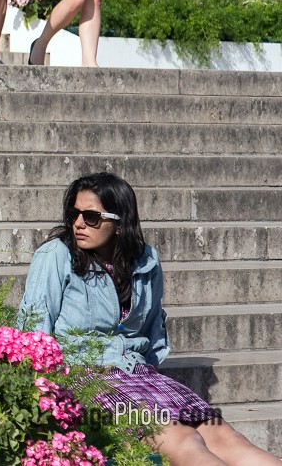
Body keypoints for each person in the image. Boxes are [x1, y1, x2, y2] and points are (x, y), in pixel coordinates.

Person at [21, 173, 282, 466]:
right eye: (74, 213)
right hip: (87, 378)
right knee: (183, 440)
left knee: (227, 438)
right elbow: (33, 334)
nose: (79, 223)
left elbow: (153, 332)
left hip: (141, 376)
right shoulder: (56, 255)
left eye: (91, 216)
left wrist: (141, 368)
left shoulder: (146, 260)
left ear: (119, 222)